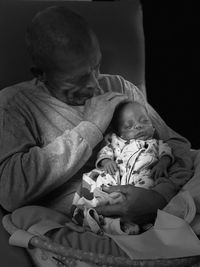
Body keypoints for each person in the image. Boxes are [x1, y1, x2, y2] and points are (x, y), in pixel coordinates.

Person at [0, 5, 193, 234]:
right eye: (79, 78)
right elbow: (10, 191)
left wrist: (159, 196)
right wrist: (90, 128)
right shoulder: (13, 106)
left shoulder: (119, 87)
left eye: (96, 66)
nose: (95, 84)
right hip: (88, 221)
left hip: (158, 198)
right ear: (40, 74)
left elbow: (176, 145)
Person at [72, 101, 174, 235]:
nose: (138, 126)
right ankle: (93, 209)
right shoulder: (117, 142)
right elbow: (106, 151)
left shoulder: (157, 143)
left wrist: (162, 163)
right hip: (117, 175)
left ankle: (137, 223)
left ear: (153, 128)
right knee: (99, 179)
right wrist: (107, 161)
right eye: (129, 126)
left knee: (150, 185)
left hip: (143, 178)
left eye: (144, 121)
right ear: (121, 134)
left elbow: (166, 154)